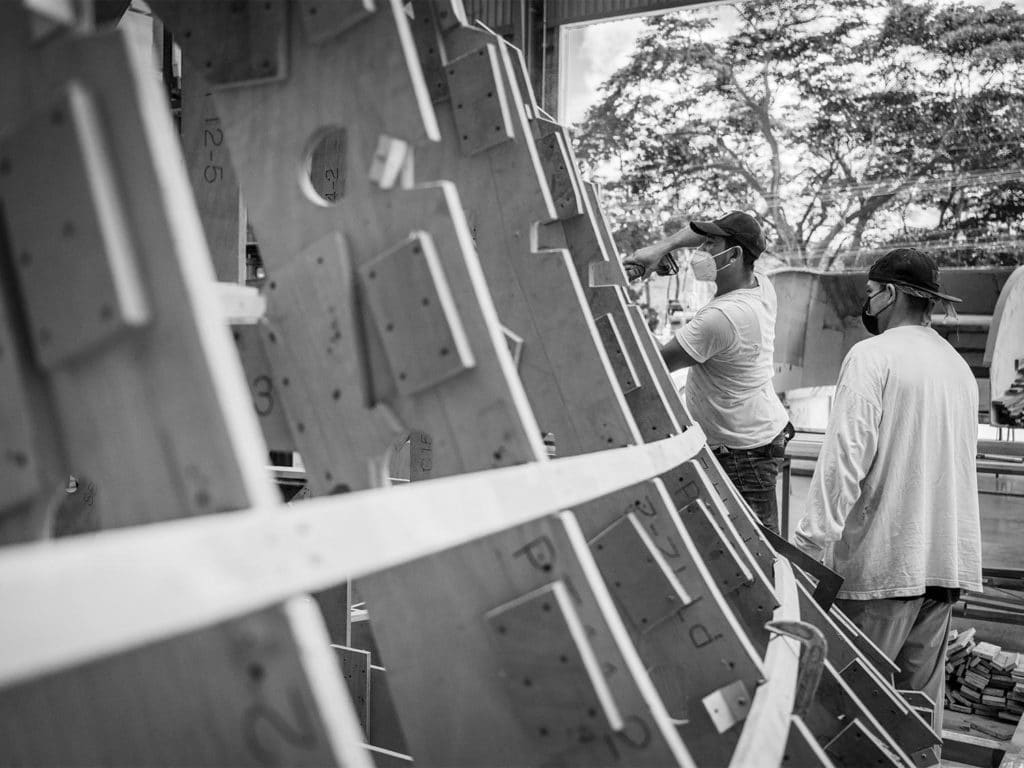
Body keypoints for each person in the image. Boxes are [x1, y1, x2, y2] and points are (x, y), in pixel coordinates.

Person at [793, 248, 982, 739]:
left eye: (871, 294)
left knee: (851, 717)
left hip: (882, 571)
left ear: (891, 294)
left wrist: (810, 549)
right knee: (914, 724)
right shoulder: (956, 367)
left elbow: (843, 461)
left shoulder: (872, 356)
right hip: (943, 571)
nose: (868, 303)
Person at [625, 211, 791, 533]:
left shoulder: (724, 317)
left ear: (735, 254)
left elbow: (654, 365)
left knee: (754, 550)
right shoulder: (761, 286)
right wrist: (661, 249)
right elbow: (699, 235)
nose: (701, 252)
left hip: (744, 454)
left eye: (710, 244)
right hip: (756, 433)